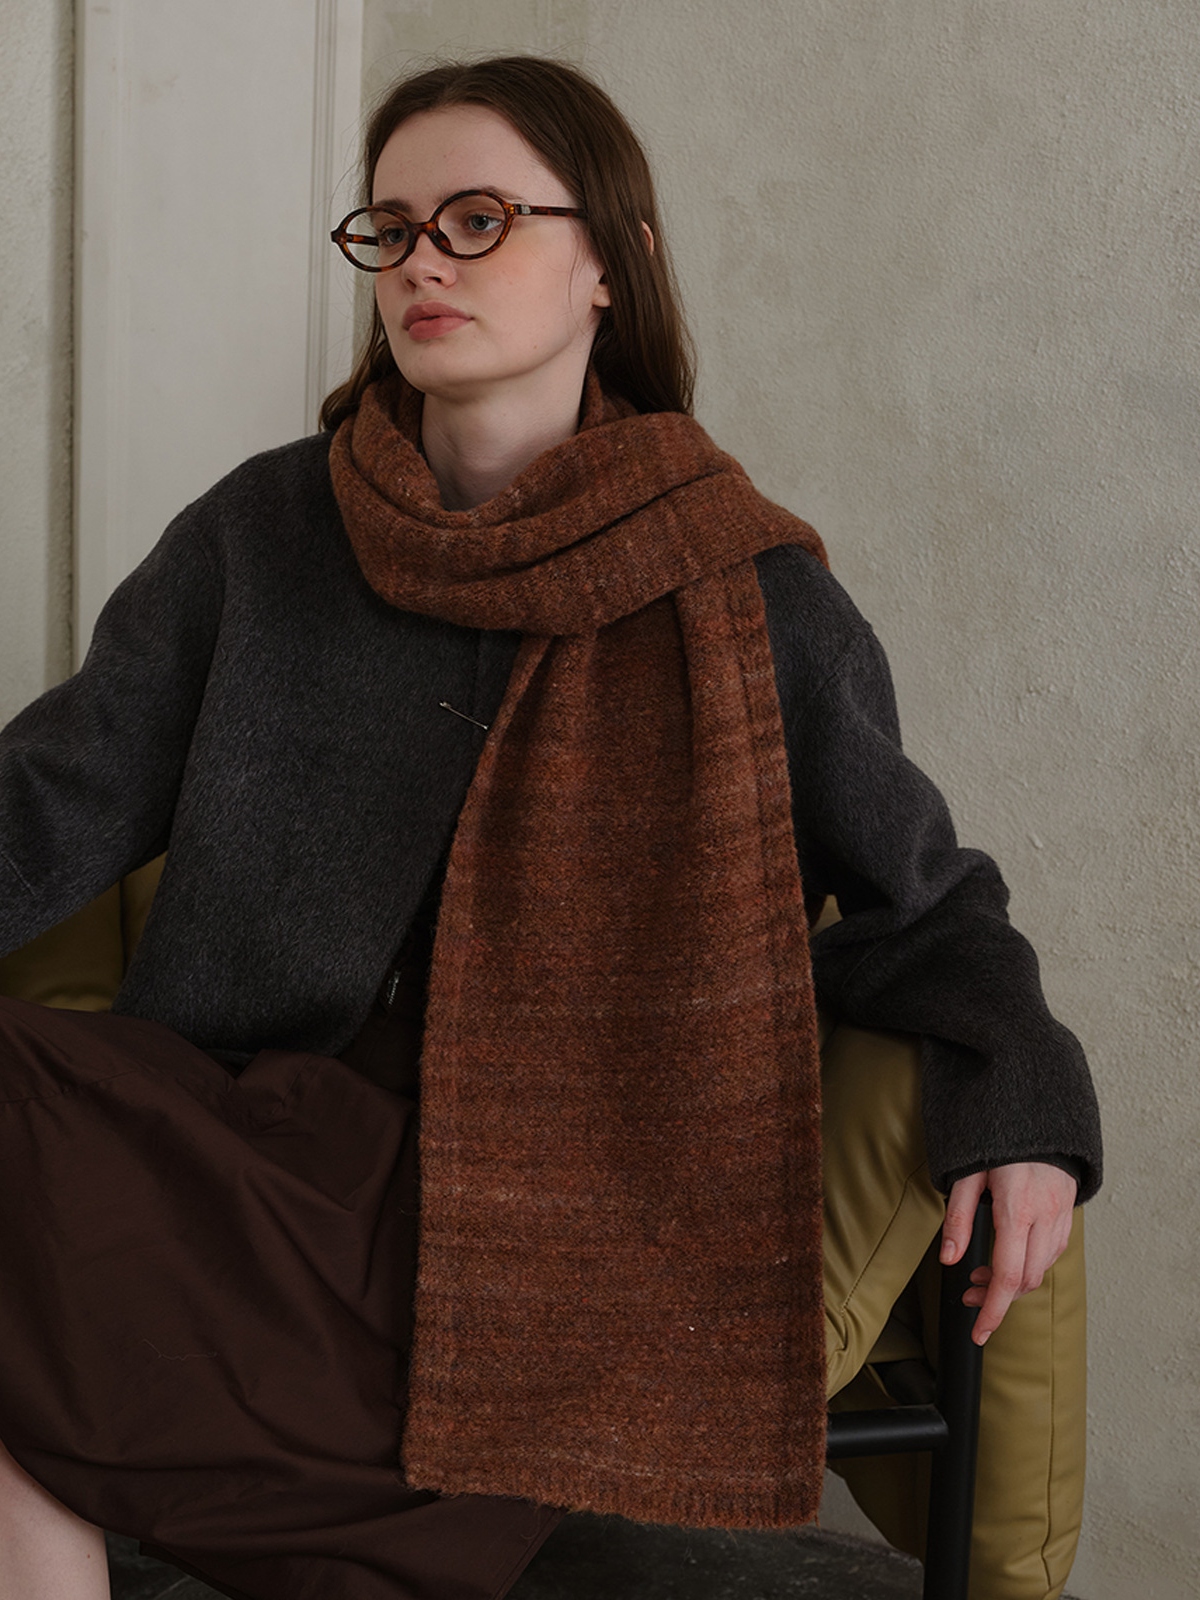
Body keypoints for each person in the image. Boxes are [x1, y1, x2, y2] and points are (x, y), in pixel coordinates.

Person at [0, 54, 1100, 1600]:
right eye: (391, 229)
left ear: (610, 264)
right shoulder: (261, 538)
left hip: (541, 1222)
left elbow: (921, 904)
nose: (422, 263)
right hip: (239, 1146)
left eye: (477, 219)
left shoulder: (746, 590)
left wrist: (1026, 1106)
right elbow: (47, 799)